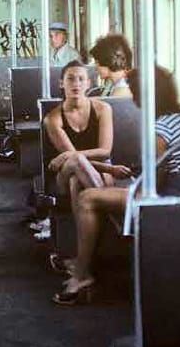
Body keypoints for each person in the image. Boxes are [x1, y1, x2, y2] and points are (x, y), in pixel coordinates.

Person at [52, 66, 180, 305]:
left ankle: (82, 275)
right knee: (79, 184)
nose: (133, 97)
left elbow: (152, 186)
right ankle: (85, 263)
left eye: (134, 91)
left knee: (88, 198)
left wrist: (119, 192)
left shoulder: (160, 130)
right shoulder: (177, 117)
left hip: (170, 198)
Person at [29, 61, 121, 242]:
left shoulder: (103, 109)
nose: (76, 84)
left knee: (76, 181)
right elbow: (75, 160)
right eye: (70, 79)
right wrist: (110, 169)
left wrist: (67, 155)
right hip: (66, 172)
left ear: (88, 83)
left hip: (96, 168)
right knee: (76, 164)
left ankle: (82, 249)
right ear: (61, 83)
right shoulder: (53, 119)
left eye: (81, 79)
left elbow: (105, 151)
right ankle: (113, 216)